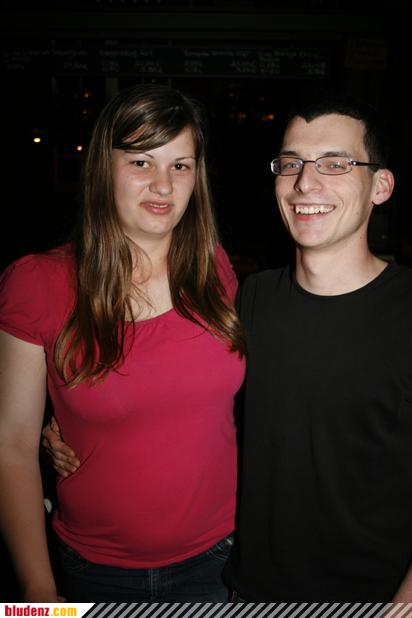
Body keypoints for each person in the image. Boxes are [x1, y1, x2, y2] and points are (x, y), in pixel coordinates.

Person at [43, 92, 412, 603]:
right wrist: (65, 417)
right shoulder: (251, 298)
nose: (306, 182)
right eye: (291, 164)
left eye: (336, 164)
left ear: (381, 186)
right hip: (245, 586)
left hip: (373, 596)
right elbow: (176, 378)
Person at [0, 83, 245, 603]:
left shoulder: (216, 269)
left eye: (180, 165)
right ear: (102, 169)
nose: (163, 184)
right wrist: (38, 592)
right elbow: (11, 446)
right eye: (140, 162)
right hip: (95, 570)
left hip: (221, 560)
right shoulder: (38, 283)